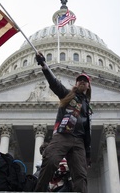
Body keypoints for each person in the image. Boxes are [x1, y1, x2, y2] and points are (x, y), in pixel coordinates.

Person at [34, 52, 92, 193]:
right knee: (50, 161)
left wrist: (88, 153)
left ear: (88, 86)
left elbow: (86, 130)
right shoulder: (68, 95)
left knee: (80, 174)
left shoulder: (88, 107)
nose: (82, 82)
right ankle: (39, 190)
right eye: (79, 80)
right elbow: (55, 84)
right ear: (76, 84)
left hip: (79, 141)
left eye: (85, 81)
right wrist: (44, 65)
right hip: (64, 135)